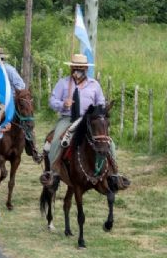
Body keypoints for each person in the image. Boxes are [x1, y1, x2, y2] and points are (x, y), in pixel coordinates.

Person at [41, 54, 127, 188]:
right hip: (68, 119)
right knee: (57, 141)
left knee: (109, 143)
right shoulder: (63, 83)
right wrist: (63, 104)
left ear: (86, 68)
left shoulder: (94, 85)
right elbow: (52, 101)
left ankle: (114, 173)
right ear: (71, 68)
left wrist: (100, 111)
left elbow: (100, 103)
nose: (78, 69)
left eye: (81, 67)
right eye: (76, 67)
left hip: (89, 121)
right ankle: (54, 173)